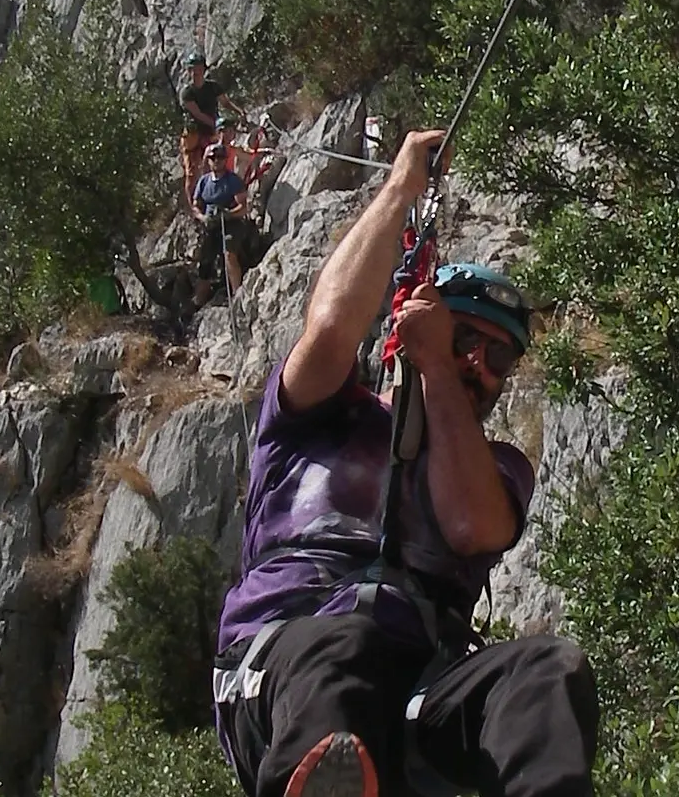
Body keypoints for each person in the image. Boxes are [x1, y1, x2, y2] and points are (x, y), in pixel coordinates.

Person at [213, 129, 598, 797]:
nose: (478, 363)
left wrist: (439, 371)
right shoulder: (320, 416)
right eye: (464, 338)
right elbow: (331, 329)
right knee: (342, 648)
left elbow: (473, 529)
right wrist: (400, 191)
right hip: (282, 670)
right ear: (412, 329)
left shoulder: (497, 468)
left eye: (498, 357)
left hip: (419, 684)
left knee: (547, 669)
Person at [180, 50, 247, 211]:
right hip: (193, 134)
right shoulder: (187, 92)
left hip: (210, 132)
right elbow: (197, 114)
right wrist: (218, 124)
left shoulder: (213, 87)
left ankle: (219, 199)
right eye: (192, 69)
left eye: (198, 68)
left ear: (203, 69)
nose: (195, 72)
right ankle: (194, 207)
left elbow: (225, 102)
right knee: (192, 171)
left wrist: (239, 112)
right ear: (189, 71)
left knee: (215, 164)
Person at [194, 142, 252, 303]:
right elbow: (195, 206)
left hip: (231, 224)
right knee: (205, 260)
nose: (216, 160)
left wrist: (227, 214)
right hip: (211, 224)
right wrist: (203, 217)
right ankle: (199, 299)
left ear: (225, 160)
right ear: (209, 161)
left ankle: (236, 294)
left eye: (219, 157)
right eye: (213, 158)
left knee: (229, 253)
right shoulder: (204, 182)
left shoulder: (232, 181)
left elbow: (243, 207)